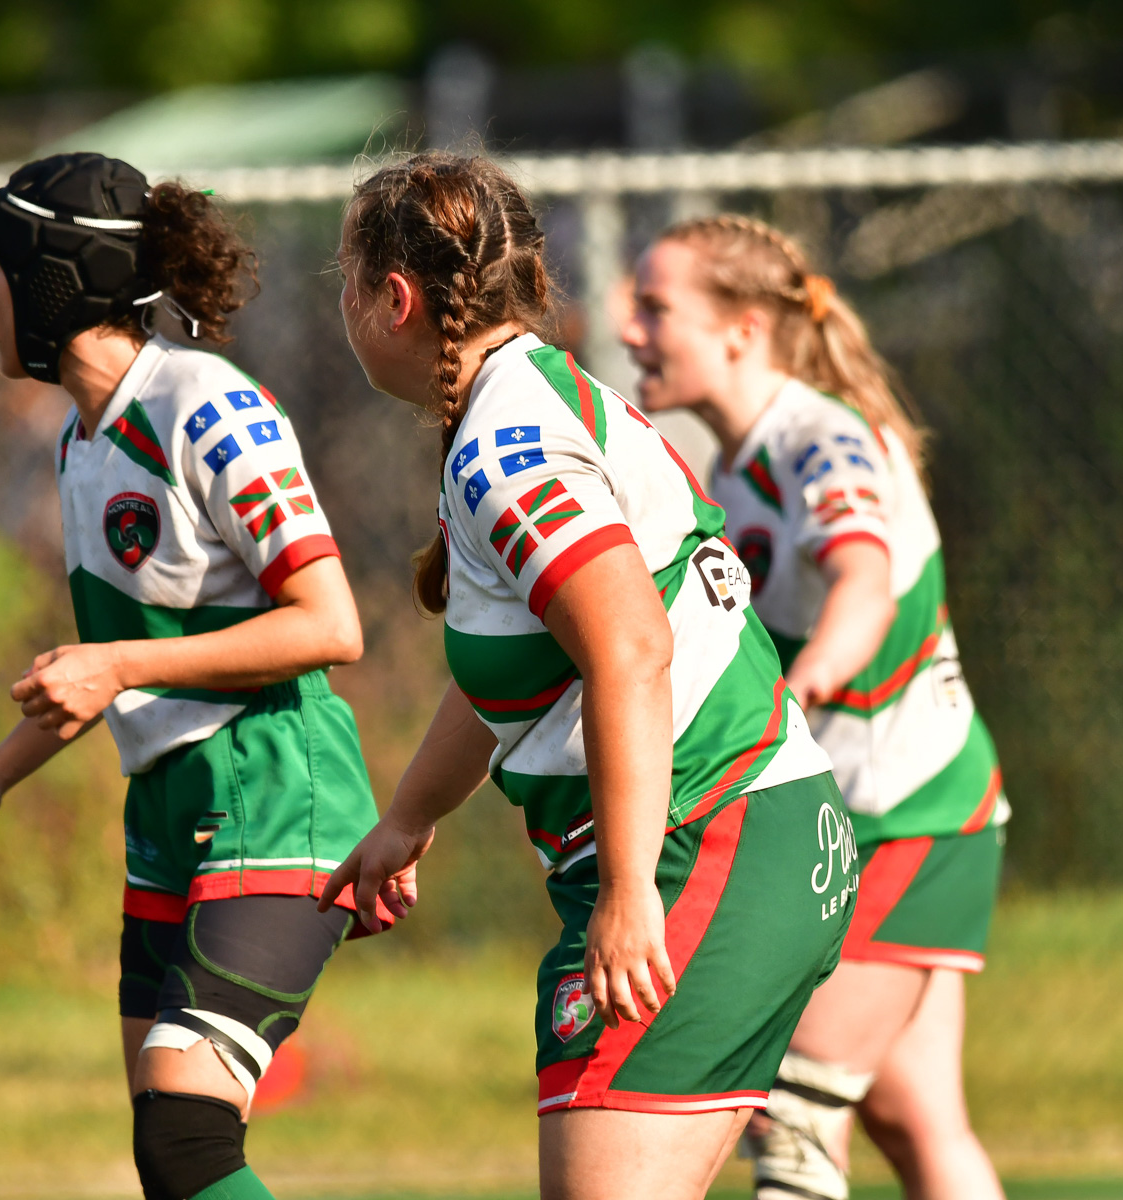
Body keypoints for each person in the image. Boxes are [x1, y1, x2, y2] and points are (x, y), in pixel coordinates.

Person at [319, 153, 856, 1200]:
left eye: (343, 280)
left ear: (398, 299)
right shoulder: (532, 401)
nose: (339, 307)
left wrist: (626, 892)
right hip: (747, 836)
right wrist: (406, 823)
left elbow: (631, 650)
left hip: (710, 845)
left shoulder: (507, 447)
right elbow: (513, 679)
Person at [0, 153, 386, 1200]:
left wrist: (118, 663)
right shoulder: (80, 444)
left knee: (185, 1136)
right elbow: (111, 672)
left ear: (52, 280)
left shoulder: (204, 402)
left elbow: (331, 623)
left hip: (273, 783)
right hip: (170, 808)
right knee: (166, 1153)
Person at [621, 214, 1007, 1200]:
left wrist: (797, 692)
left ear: (742, 329)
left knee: (792, 1109)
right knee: (916, 1121)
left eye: (657, 308)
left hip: (906, 811)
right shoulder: (739, 466)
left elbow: (864, 582)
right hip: (883, 815)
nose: (628, 330)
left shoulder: (819, 436)